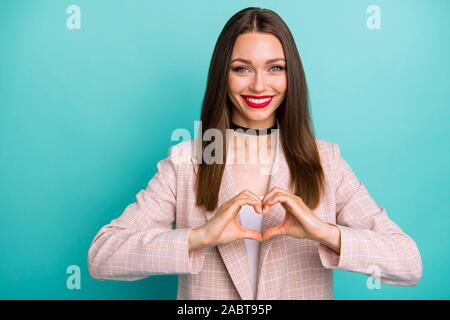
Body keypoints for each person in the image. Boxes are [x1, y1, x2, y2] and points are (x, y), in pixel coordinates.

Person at [88, 7, 422, 300]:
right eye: (242, 69)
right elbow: (102, 256)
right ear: (223, 75)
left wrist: (324, 232)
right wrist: (198, 237)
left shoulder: (326, 161)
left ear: (292, 75)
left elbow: (408, 262)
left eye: (275, 68)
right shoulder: (187, 162)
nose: (260, 86)